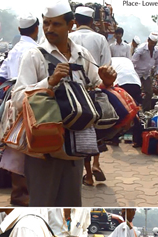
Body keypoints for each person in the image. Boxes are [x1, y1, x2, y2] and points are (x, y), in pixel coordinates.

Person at [11, 0, 117, 206]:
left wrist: (107, 82)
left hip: (76, 147)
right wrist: (48, 82)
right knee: (42, 203)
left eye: (56, 24)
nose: (49, 29)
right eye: (46, 23)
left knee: (71, 202)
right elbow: (17, 99)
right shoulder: (34, 56)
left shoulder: (82, 55)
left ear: (71, 25)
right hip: (44, 147)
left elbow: (96, 91)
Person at [0, 13, 40, 207]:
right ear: (37, 29)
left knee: (14, 147)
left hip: (12, 102)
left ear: (20, 30)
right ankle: (25, 194)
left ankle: (19, 192)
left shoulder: (14, 50)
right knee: (28, 150)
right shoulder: (36, 51)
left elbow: (0, 77)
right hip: (31, 102)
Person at [70, 6, 112, 188]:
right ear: (92, 22)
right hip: (94, 90)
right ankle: (96, 163)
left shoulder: (68, 37)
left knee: (80, 131)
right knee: (97, 130)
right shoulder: (100, 39)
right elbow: (107, 67)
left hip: (71, 93)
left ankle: (87, 174)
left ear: (75, 21)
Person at [132, 32, 158, 112]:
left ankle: (146, 109)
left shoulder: (156, 51)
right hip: (137, 73)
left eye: (154, 44)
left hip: (147, 74)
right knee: (136, 91)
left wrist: (157, 73)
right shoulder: (140, 49)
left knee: (149, 92)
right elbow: (133, 61)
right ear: (148, 40)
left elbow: (157, 63)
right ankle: (135, 108)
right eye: (151, 43)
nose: (152, 45)